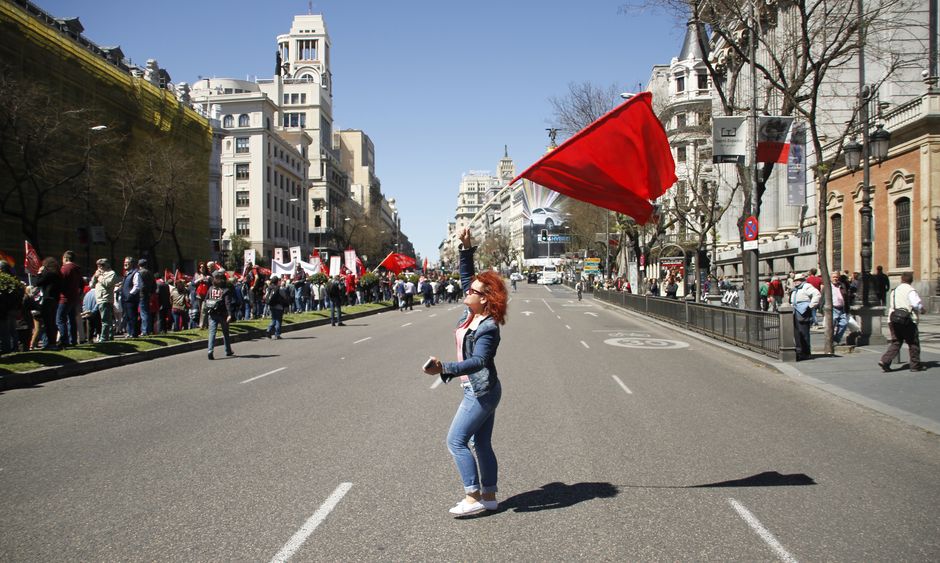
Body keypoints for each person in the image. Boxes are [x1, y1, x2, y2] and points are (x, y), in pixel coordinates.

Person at [423, 227, 507, 516]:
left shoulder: (488, 327)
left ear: (484, 299)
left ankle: (473, 497)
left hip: (481, 390)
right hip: (482, 388)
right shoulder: (471, 314)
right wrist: (466, 245)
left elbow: (480, 362)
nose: (467, 290)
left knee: (456, 441)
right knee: (480, 442)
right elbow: (466, 275)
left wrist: (444, 368)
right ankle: (490, 495)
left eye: (473, 291)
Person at [879, 271, 926, 372]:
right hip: (907, 320)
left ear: (901, 279)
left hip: (893, 319)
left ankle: (885, 360)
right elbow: (916, 304)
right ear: (911, 280)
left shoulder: (894, 290)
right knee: (913, 343)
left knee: (896, 341)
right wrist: (922, 310)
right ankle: (915, 365)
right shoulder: (911, 290)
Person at [790, 272, 821, 360]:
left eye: (798, 280)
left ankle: (806, 353)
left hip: (803, 312)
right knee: (797, 333)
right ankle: (799, 351)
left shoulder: (807, 286)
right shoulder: (796, 289)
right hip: (795, 311)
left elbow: (817, 294)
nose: (796, 282)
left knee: (803, 333)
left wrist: (811, 306)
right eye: (795, 280)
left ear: (803, 280)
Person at [35, 257, 63, 350]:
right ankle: (53, 343)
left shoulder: (49, 274)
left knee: (48, 323)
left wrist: (39, 273)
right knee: (52, 322)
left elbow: (38, 283)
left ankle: (50, 343)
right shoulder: (58, 275)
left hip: (47, 299)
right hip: (55, 300)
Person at [205, 270, 234, 360]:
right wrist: (230, 314)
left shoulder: (210, 288)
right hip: (223, 314)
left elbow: (206, 299)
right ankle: (227, 350)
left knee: (212, 333)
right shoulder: (225, 290)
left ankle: (210, 350)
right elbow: (227, 303)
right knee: (225, 333)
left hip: (212, 313)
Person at [57, 250, 83, 347]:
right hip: (74, 298)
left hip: (64, 298)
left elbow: (60, 283)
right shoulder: (77, 269)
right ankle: (73, 340)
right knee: (72, 320)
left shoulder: (65, 269)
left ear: (65, 258)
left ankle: (64, 340)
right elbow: (82, 284)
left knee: (60, 319)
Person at [90, 259, 117, 342]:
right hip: (99, 299)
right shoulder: (97, 273)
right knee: (106, 319)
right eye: (98, 265)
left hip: (105, 299)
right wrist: (95, 276)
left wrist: (100, 277)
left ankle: (104, 338)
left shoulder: (111, 273)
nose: (100, 267)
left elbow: (108, 283)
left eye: (102, 265)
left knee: (105, 320)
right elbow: (91, 285)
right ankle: (109, 335)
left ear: (107, 265)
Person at [120, 257, 141, 338]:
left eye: (127, 262)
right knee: (127, 317)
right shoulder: (126, 273)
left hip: (130, 299)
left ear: (132, 264)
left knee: (132, 316)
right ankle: (129, 332)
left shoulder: (135, 273)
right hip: (125, 299)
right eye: (124, 262)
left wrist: (130, 294)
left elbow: (137, 286)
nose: (125, 264)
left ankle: (134, 333)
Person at [265, 274, 288, 339]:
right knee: (278, 320)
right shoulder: (279, 288)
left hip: (271, 305)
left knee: (273, 319)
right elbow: (284, 296)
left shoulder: (269, 288)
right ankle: (277, 334)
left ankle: (268, 330)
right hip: (279, 306)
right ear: (277, 281)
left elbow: (266, 296)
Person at [830, 272, 849, 344]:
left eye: (837, 277)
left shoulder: (842, 285)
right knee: (831, 325)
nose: (835, 279)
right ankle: (830, 341)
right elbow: (823, 297)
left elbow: (846, 296)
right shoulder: (828, 286)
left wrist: (847, 308)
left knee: (844, 324)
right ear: (830, 278)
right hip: (833, 308)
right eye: (834, 277)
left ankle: (836, 339)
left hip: (842, 308)